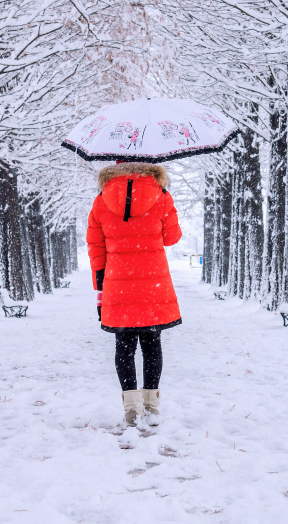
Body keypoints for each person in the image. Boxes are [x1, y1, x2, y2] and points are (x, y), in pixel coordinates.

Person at [87, 162, 182, 427]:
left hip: (118, 282)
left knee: (124, 345)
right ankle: (151, 405)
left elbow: (96, 247)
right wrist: (165, 201)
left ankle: (131, 408)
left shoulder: (101, 200)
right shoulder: (160, 195)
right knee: (152, 343)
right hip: (154, 282)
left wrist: (100, 287)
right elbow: (172, 237)